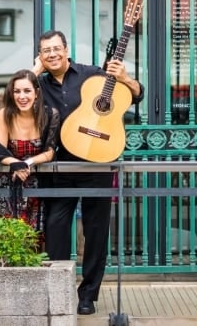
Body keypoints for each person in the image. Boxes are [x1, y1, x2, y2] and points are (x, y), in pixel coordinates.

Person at [34, 30, 143, 316]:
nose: (53, 54)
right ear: (40, 56)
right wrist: (33, 72)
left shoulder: (93, 75)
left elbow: (136, 96)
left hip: (98, 162)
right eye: (46, 51)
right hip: (58, 164)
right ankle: (59, 290)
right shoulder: (37, 84)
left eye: (57, 48)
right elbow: (9, 102)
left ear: (66, 49)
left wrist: (126, 78)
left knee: (96, 232)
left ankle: (88, 294)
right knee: (55, 229)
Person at [0, 69, 59, 241]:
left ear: (36, 93)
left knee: (36, 238)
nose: (22, 96)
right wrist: (15, 163)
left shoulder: (50, 115)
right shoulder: (4, 114)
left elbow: (50, 152)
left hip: (38, 184)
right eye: (17, 91)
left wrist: (27, 163)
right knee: (8, 238)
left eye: (27, 91)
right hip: (8, 184)